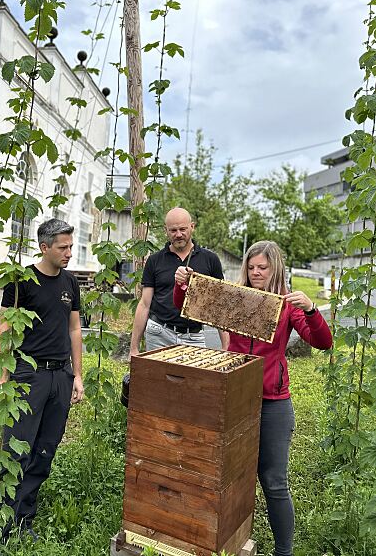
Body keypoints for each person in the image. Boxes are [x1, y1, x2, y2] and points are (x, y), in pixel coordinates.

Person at [174, 240, 332, 556]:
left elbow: (322, 342)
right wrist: (181, 285)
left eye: (263, 267)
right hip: (232, 398)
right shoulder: (235, 297)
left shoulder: (287, 306)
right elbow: (191, 306)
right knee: (225, 476)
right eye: (252, 267)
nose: (256, 272)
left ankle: (283, 551)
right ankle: (222, 541)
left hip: (273, 402)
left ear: (275, 269)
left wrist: (311, 310)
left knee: (274, 482)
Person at [0, 218, 84, 541]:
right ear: (44, 247)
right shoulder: (21, 281)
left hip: (61, 375)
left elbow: (74, 329)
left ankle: (24, 518)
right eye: (63, 247)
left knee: (46, 449)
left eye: (71, 247)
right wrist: (3, 375)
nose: (69, 253)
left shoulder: (70, 284)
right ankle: (3, 523)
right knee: (17, 448)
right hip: (28, 375)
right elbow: (4, 328)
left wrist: (77, 376)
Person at [129, 207, 229, 358]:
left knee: (194, 381)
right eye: (173, 230)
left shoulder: (210, 260)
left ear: (192, 227)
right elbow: (144, 303)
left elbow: (219, 306)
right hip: (159, 333)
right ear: (166, 230)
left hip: (194, 336)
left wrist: (226, 347)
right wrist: (133, 348)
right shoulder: (155, 260)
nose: (178, 235)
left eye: (183, 229)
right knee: (157, 380)